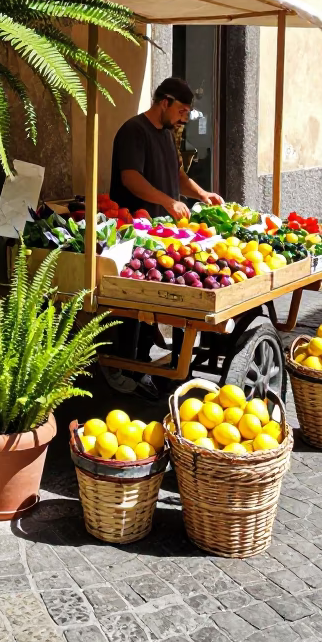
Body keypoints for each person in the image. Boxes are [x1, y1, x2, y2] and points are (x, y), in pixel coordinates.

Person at [102, 77, 223, 400]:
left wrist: (202, 194)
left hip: (162, 234)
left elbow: (178, 176)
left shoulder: (169, 135)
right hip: (134, 232)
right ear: (164, 102)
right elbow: (130, 178)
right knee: (134, 305)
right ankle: (124, 368)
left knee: (156, 304)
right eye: (182, 110)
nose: (184, 117)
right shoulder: (133, 131)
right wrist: (167, 201)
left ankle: (146, 365)